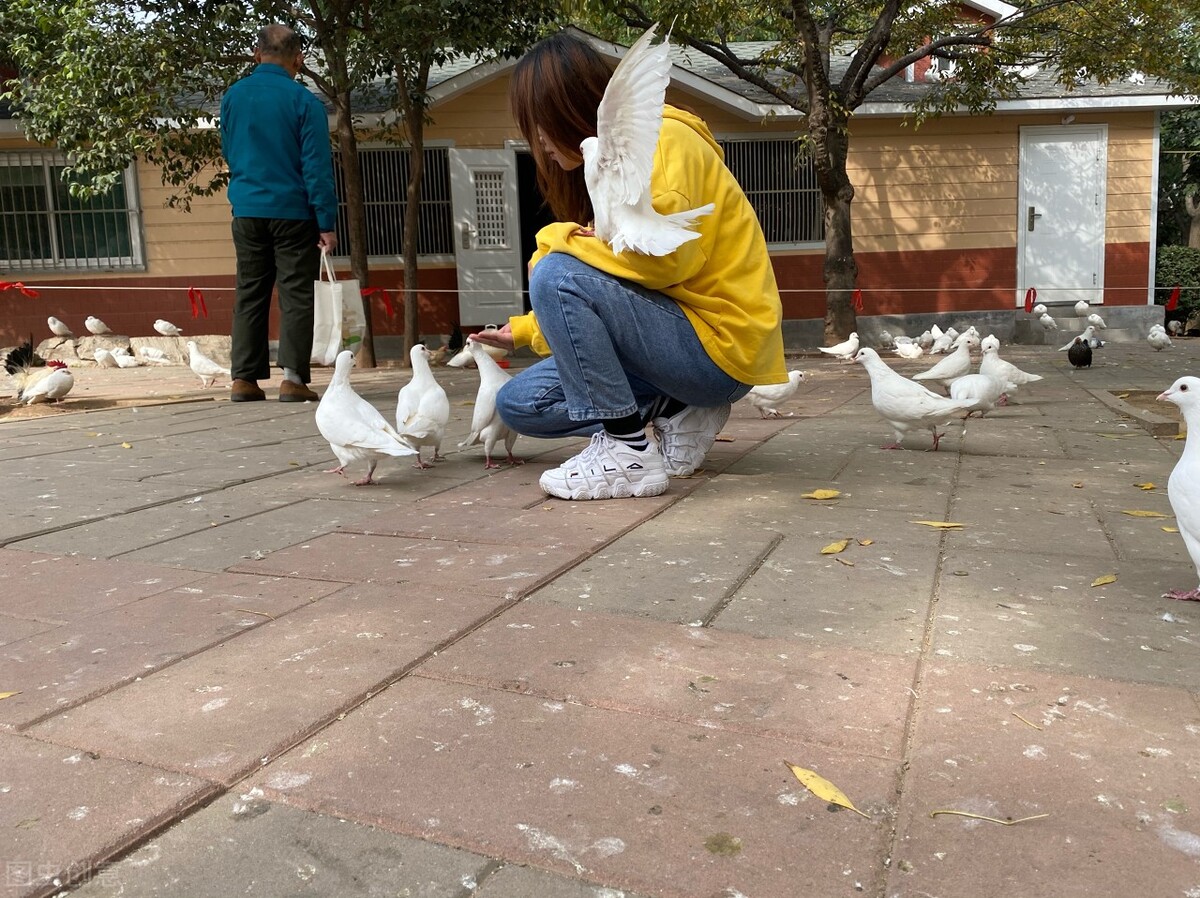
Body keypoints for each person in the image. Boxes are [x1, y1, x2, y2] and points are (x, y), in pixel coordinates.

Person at [470, 31, 786, 501]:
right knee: (519, 404)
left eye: (537, 125)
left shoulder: (666, 140)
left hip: (718, 349)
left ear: (567, 110)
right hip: (672, 346)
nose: (535, 140)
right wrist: (524, 331)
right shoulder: (609, 166)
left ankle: (627, 450)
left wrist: (553, 240)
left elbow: (662, 263)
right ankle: (676, 407)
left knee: (556, 271)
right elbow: (613, 282)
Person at [220, 23, 338, 402]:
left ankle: (244, 380)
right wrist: (326, 222)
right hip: (293, 212)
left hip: (248, 208)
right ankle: (292, 379)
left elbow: (229, 150)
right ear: (298, 60)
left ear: (257, 55)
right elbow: (316, 167)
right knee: (296, 294)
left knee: (250, 292)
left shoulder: (233, 97)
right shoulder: (305, 103)